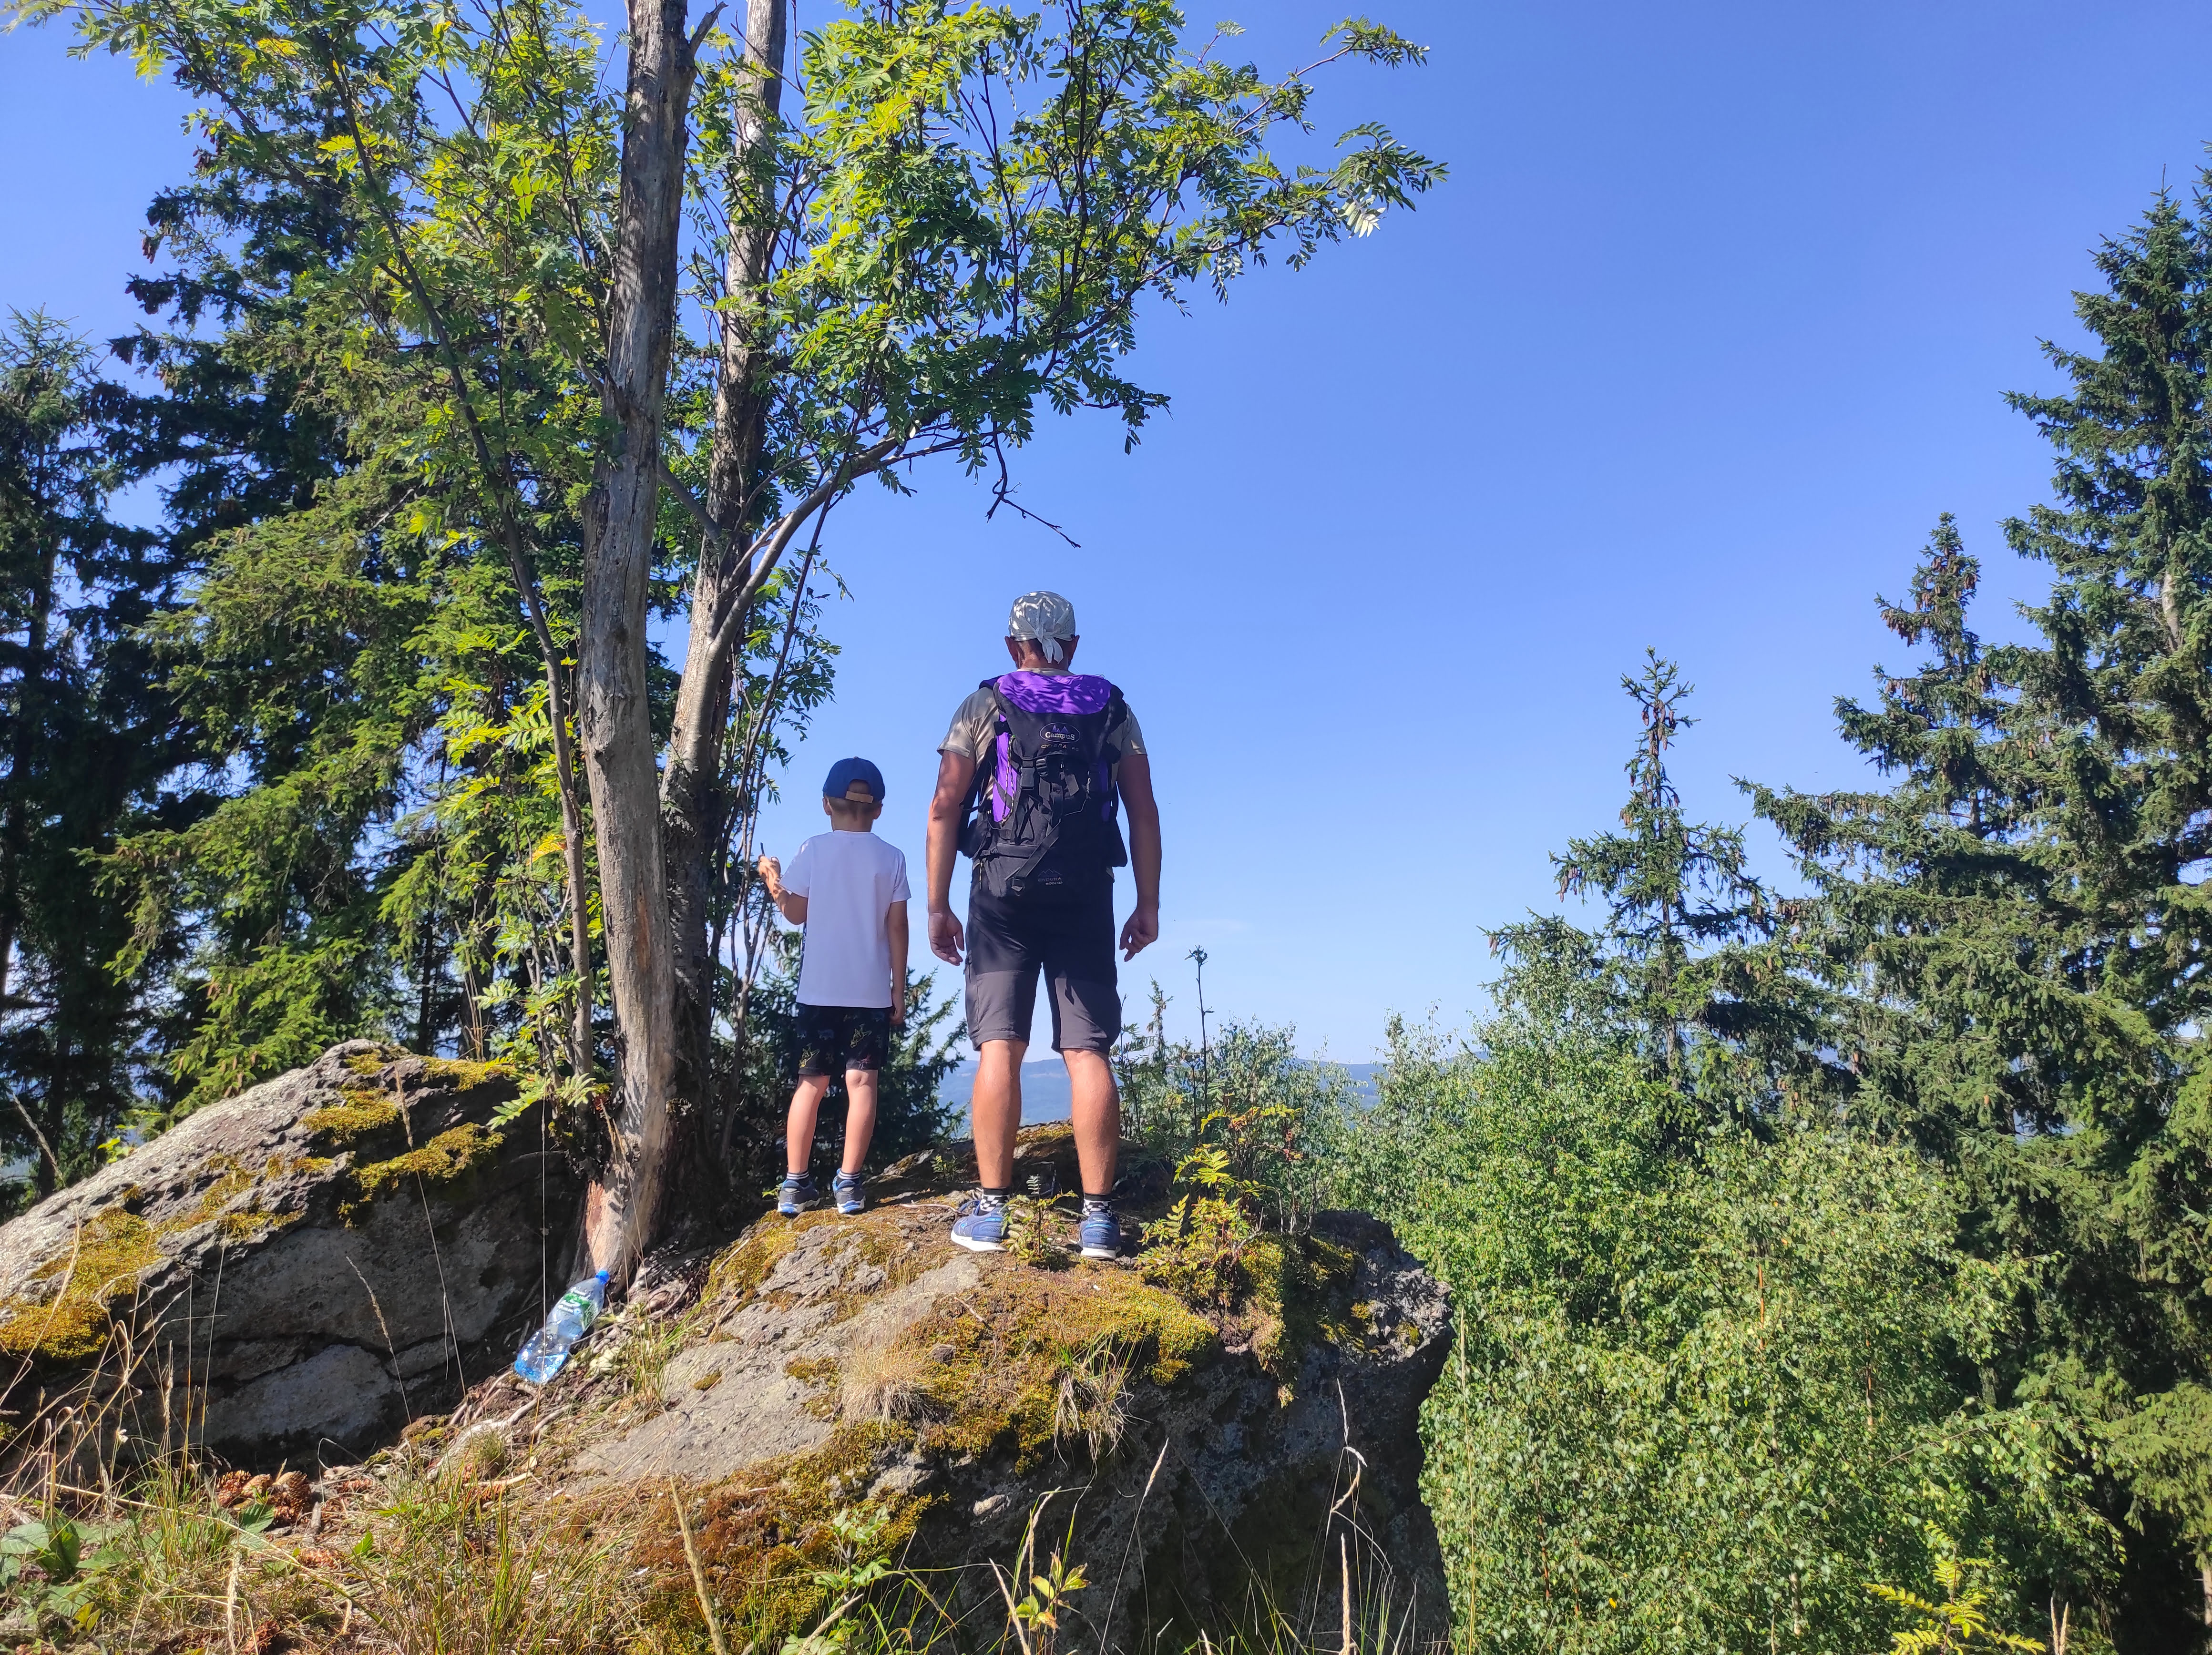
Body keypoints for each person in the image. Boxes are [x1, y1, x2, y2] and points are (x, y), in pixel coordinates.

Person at [925, 591, 1161, 1258]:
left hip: (1003, 890)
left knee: (1001, 1045)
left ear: (1013, 646)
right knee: (1088, 1051)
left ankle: (993, 1213)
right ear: (1074, 646)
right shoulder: (1114, 708)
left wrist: (938, 906)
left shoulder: (985, 704)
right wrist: (1149, 904)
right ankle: (1098, 1222)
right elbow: (1143, 812)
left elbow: (945, 808)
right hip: (1087, 891)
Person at [757, 757, 910, 1217]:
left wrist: (772, 881)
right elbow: (898, 928)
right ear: (878, 810)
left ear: (827, 804)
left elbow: (795, 912)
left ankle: (795, 1184)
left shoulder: (813, 850)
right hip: (869, 993)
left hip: (818, 993)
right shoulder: (892, 858)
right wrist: (897, 991)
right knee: (862, 1084)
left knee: (811, 1084)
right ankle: (849, 1185)